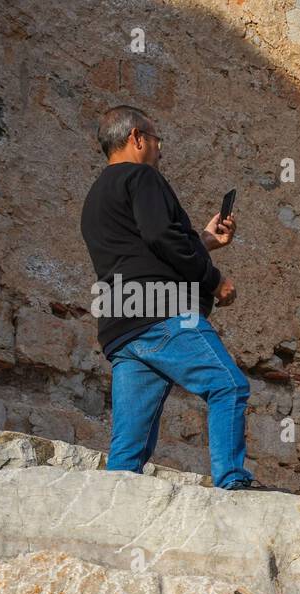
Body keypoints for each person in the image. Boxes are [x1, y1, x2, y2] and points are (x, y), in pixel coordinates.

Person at [80, 105, 269, 491]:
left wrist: (204, 243)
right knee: (228, 386)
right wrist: (214, 279)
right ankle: (232, 482)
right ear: (136, 138)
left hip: (122, 326)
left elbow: (146, 248)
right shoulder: (142, 177)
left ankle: (113, 510)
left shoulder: (95, 197)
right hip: (163, 315)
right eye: (155, 139)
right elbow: (160, 238)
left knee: (127, 452)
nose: (160, 149)